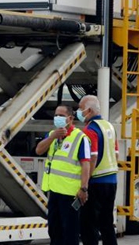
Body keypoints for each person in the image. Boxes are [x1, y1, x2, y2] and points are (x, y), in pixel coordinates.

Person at [36, 104, 91, 245]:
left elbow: (86, 164)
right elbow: (39, 150)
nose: (57, 118)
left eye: (61, 116)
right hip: (54, 191)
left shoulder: (80, 138)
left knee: (70, 233)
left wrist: (84, 188)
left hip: (70, 194)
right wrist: (52, 137)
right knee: (54, 231)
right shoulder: (52, 135)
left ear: (70, 118)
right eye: (55, 115)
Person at [77, 95, 119, 245]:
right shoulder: (109, 126)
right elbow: (116, 153)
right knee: (107, 224)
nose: (79, 112)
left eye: (80, 109)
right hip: (112, 181)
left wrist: (85, 184)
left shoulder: (90, 130)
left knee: (88, 225)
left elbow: (92, 158)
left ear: (88, 110)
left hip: (96, 183)